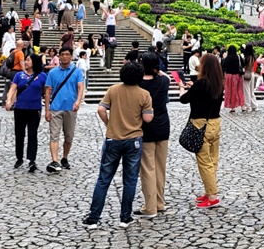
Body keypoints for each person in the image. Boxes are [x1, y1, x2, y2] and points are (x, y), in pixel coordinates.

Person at [82, 62, 154, 230]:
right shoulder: (144, 94)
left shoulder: (113, 90)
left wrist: (109, 124)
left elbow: (101, 109)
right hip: (134, 139)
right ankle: (125, 217)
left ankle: (93, 218)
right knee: (130, 180)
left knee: (104, 179)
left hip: (113, 138)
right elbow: (148, 118)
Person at [179, 53, 224, 209]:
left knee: (204, 162)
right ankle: (208, 191)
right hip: (215, 123)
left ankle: (212, 196)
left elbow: (184, 99)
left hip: (200, 125)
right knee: (212, 160)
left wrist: (181, 89)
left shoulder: (200, 84)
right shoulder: (219, 84)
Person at [135, 52, 170, 218]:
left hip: (146, 127)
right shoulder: (164, 81)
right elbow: (165, 75)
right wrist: (158, 69)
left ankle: (150, 206)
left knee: (147, 168)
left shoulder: (138, 84)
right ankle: (159, 202)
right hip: (163, 126)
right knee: (160, 167)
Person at [44, 46, 85, 174]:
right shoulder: (52, 72)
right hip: (56, 107)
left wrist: (78, 101)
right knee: (54, 135)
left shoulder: (77, 72)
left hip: (70, 108)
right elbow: (48, 91)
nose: (65, 56)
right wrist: (47, 109)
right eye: (63, 54)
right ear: (59, 56)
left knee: (69, 136)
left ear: (71, 56)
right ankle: (55, 160)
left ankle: (64, 157)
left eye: (68, 54)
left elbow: (80, 87)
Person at [222, 45, 245, 113]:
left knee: (230, 91)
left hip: (229, 76)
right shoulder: (238, 56)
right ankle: (243, 106)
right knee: (239, 91)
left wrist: (224, 58)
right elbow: (243, 65)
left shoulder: (228, 58)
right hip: (238, 76)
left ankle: (233, 107)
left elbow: (223, 66)